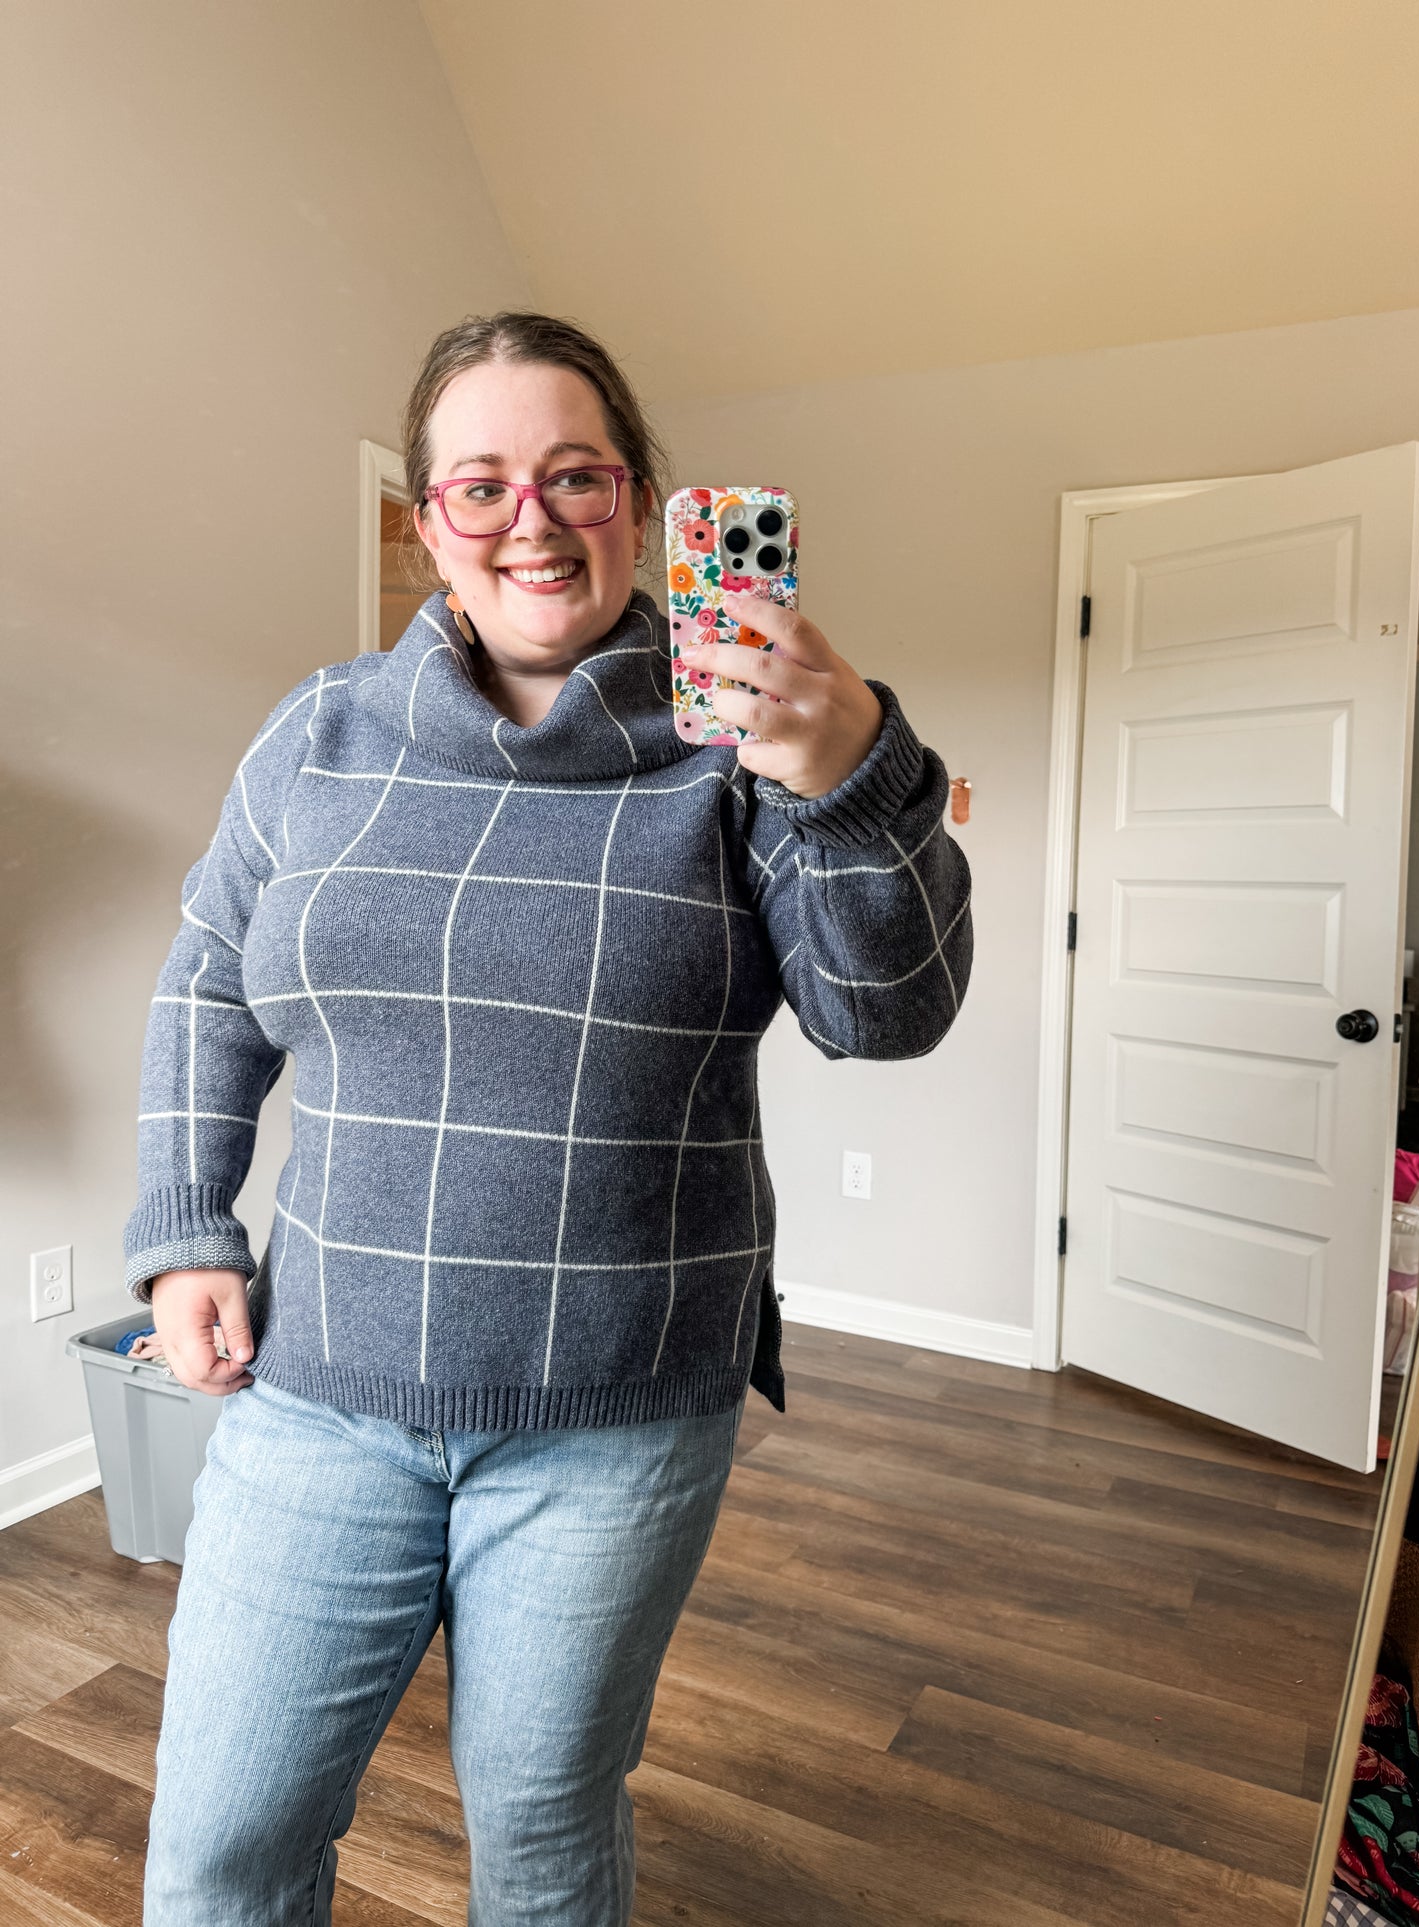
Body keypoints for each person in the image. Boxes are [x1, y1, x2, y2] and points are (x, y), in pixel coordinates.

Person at [123, 310, 974, 1925]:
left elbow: (889, 1013)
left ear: (641, 501)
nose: (531, 520)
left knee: (539, 1829)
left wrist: (847, 766)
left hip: (615, 1415)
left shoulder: (747, 742)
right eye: (482, 485)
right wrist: (182, 1232)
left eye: (575, 476)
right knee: (223, 1842)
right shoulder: (318, 732)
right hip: (320, 1389)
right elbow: (208, 984)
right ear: (429, 519)